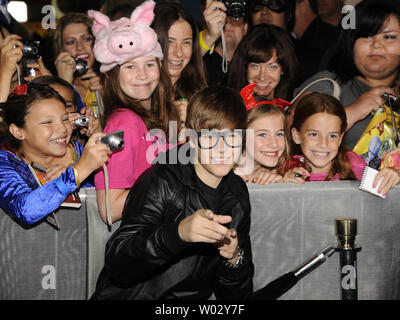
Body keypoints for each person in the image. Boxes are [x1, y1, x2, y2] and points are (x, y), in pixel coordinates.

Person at [91, 85, 254, 300]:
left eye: (231, 136)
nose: (222, 148)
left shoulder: (236, 192)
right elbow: (118, 264)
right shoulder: (162, 179)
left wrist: (234, 259)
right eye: (210, 137)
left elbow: (236, 297)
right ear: (192, 139)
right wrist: (177, 234)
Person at [89, 1, 175, 223]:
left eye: (149, 64)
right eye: (130, 66)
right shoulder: (124, 122)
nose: (142, 75)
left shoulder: (154, 116)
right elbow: (110, 207)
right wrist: (176, 190)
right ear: (111, 75)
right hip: (142, 245)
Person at [292, 0, 400, 151]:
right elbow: (286, 133)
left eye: (388, 37)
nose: (376, 44)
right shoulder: (328, 85)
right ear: (351, 42)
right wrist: (351, 112)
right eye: (367, 36)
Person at [0, 83, 111, 225]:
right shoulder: (6, 161)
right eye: (48, 122)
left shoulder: (81, 149)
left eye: (65, 119)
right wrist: (77, 172)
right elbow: (26, 210)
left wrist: (99, 137)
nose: (62, 128)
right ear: (18, 131)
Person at [285, 92, 366, 183]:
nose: (323, 144)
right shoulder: (286, 170)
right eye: (314, 134)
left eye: (332, 136)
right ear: (297, 135)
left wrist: (384, 179)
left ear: (340, 138)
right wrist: (283, 186)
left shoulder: (355, 166)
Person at [152, 2, 207, 123]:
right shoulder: (141, 93)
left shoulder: (199, 94)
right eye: (170, 42)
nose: (179, 53)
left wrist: (194, 122)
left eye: (186, 42)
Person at [225, 24, 298, 101]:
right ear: (245, 67)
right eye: (255, 66)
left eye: (272, 67)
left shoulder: (291, 107)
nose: (262, 77)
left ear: (283, 69)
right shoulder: (228, 107)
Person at [234, 83, 290, 185]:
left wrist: (281, 188)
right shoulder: (220, 179)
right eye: (262, 134)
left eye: (279, 134)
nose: (274, 144)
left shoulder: (281, 176)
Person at [52, 12, 104, 115]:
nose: (79, 47)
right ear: (62, 49)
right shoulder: (51, 88)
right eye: (70, 42)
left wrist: (107, 95)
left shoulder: (113, 80)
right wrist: (64, 83)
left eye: (86, 39)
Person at [200, 0, 249, 86]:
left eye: (235, 14)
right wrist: (209, 37)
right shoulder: (200, 64)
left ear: (245, 28)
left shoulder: (252, 65)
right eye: (220, 15)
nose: (227, 22)